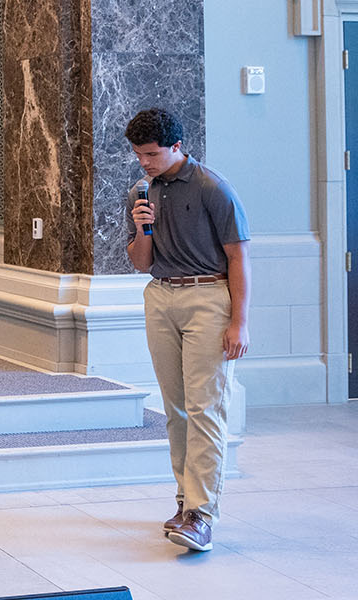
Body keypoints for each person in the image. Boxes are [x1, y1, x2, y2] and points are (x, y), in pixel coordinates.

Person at [125, 108, 250, 552]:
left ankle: (202, 514)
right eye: (139, 153)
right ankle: (184, 501)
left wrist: (239, 322)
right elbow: (141, 262)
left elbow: (238, 257)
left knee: (206, 407)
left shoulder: (212, 187)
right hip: (160, 295)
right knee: (175, 409)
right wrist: (143, 227)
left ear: (177, 146)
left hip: (207, 297)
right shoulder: (142, 191)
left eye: (152, 153)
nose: (144, 161)